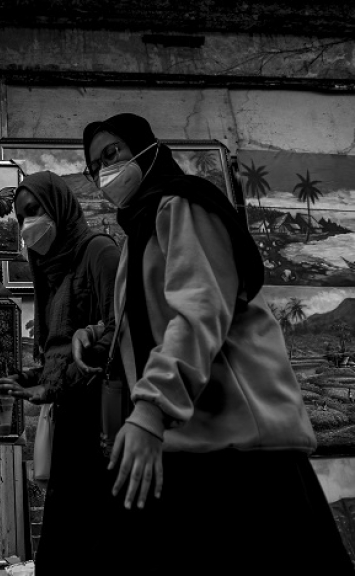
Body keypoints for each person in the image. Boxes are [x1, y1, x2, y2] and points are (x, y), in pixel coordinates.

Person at [74, 112, 353, 573]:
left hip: (242, 451)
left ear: (146, 149)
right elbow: (154, 321)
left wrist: (149, 410)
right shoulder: (138, 234)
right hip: (190, 441)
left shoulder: (185, 205)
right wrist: (102, 335)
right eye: (94, 165)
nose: (104, 170)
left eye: (112, 154)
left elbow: (201, 311)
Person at [0, 171, 120, 574]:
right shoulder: (54, 270)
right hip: (73, 419)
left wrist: (52, 386)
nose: (28, 225)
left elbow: (123, 331)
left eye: (34, 211)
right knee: (66, 541)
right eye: (21, 217)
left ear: (59, 207)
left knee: (94, 539)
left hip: (103, 422)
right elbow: (61, 353)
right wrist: (32, 378)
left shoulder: (98, 251)